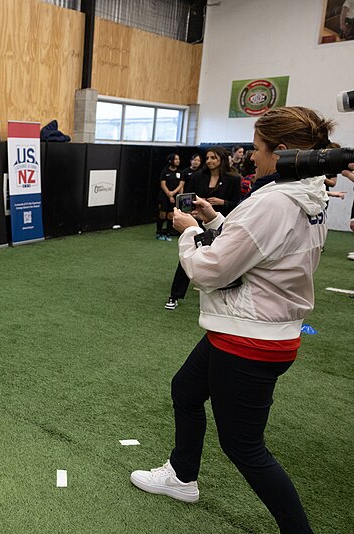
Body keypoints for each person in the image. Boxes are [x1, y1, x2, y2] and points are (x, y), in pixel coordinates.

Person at [131, 106, 334, 533]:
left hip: (251, 338)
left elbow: (207, 270)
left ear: (280, 152)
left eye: (258, 149)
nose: (251, 157)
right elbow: (264, 249)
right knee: (185, 389)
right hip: (246, 328)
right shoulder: (309, 194)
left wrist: (187, 230)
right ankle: (182, 477)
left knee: (244, 447)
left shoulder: (277, 201)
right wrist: (217, 220)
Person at [164, 147, 241, 310]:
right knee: (187, 257)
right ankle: (175, 296)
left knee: (221, 258)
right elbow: (190, 198)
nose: (209, 161)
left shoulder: (233, 179)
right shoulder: (199, 176)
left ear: (221, 159)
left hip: (221, 223)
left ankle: (221, 296)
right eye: (207, 157)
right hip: (197, 222)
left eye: (213, 158)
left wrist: (222, 203)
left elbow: (237, 204)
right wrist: (191, 211)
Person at [156, 154, 183, 241]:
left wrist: (174, 194)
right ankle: (159, 233)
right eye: (176, 159)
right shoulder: (165, 172)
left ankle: (168, 233)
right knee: (162, 215)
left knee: (171, 216)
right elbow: (163, 185)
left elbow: (181, 184)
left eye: (178, 159)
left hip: (174, 197)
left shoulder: (180, 172)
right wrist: (169, 195)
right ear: (171, 161)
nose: (178, 161)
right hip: (164, 196)